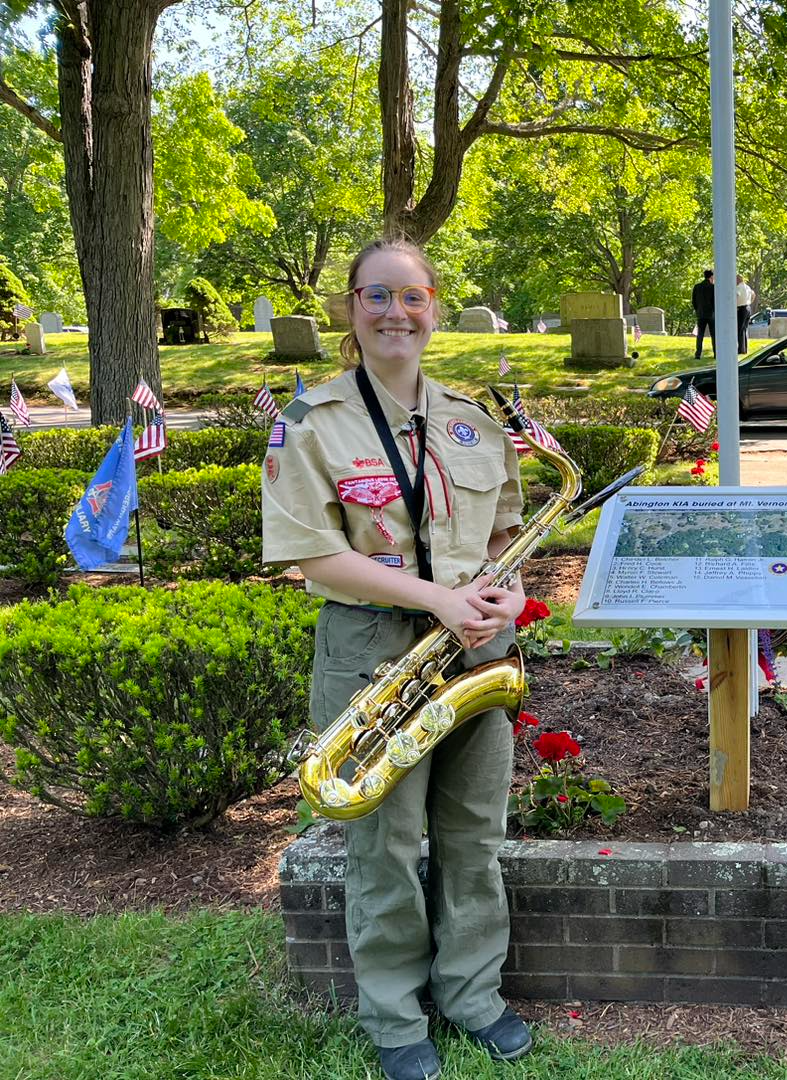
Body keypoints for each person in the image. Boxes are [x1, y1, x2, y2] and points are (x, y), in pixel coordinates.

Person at [261, 238, 532, 1080]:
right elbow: (310, 556)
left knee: (474, 833)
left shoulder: (476, 418)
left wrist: (510, 597)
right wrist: (439, 603)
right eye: (376, 297)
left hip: (478, 646)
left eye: (411, 298)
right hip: (373, 647)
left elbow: (502, 536)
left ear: (435, 308)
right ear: (350, 307)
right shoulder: (308, 422)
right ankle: (391, 1015)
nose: (394, 313)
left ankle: (472, 995)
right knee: (383, 840)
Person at [690, 270, 716, 360]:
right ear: (711, 277)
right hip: (711, 313)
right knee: (714, 335)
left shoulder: (697, 287)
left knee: (700, 335)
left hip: (700, 313)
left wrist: (697, 310)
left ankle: (698, 354)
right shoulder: (713, 287)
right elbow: (715, 301)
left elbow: (693, 301)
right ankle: (716, 353)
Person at [736, 274, 755, 355]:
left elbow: (736, 295)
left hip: (741, 309)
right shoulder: (747, 287)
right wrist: (750, 302)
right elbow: (753, 294)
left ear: (737, 280)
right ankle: (745, 348)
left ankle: (741, 349)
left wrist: (735, 305)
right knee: (745, 329)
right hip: (748, 308)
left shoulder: (738, 288)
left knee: (740, 329)